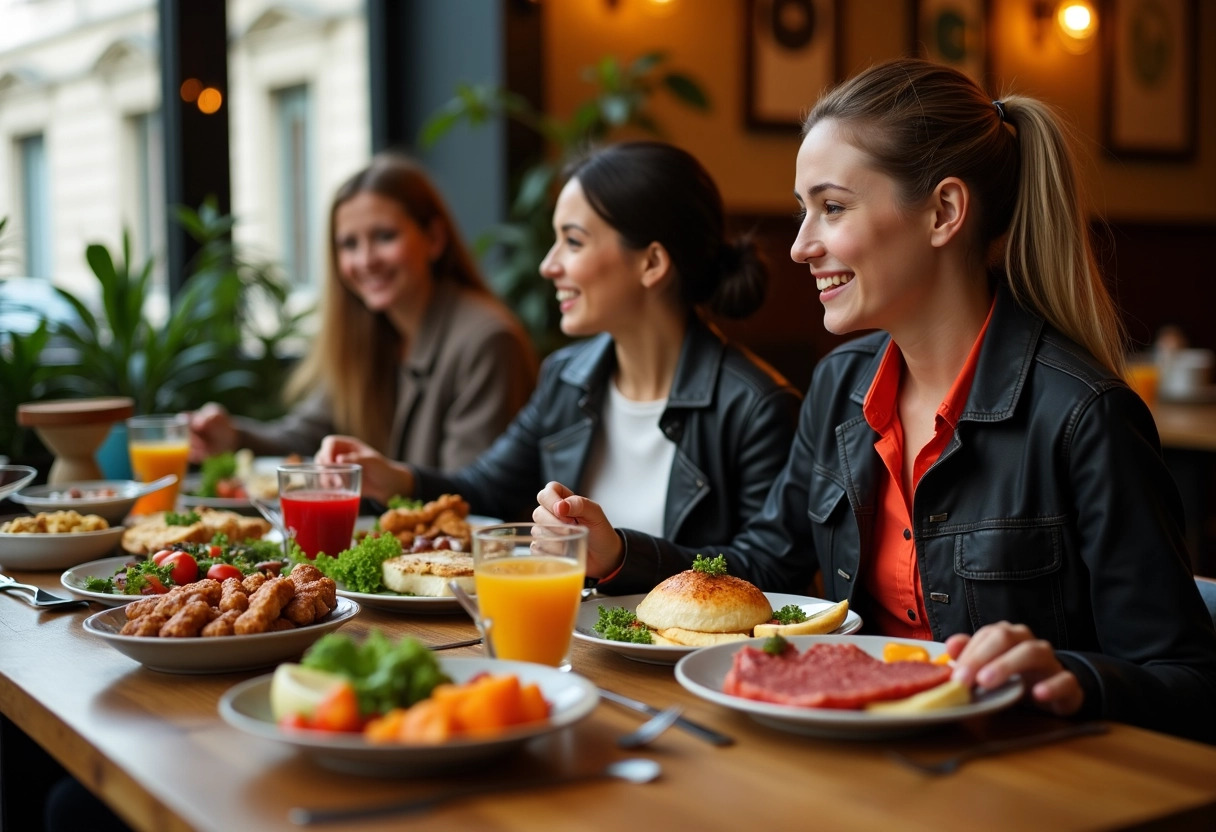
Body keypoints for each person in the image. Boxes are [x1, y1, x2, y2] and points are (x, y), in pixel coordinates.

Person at [537, 59, 1216, 743]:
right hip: (852, 755)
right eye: (805, 210)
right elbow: (765, 571)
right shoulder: (841, 385)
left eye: (831, 208)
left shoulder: (1082, 414)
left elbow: (1189, 679)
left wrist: (1072, 676)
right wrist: (618, 551)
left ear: (944, 212)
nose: (801, 245)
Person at [319, 141, 801, 575]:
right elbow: (490, 489)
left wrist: (621, 555)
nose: (549, 265)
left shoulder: (758, 406)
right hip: (575, 642)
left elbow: (774, 568)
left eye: (572, 242)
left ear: (651, 263)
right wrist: (397, 477)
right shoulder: (569, 377)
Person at [188, 152, 538, 471]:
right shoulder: (368, 331)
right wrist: (231, 437)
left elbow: (470, 491)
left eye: (384, 236)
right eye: (349, 244)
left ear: (434, 238)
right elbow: (304, 438)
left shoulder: (487, 341)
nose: (366, 260)